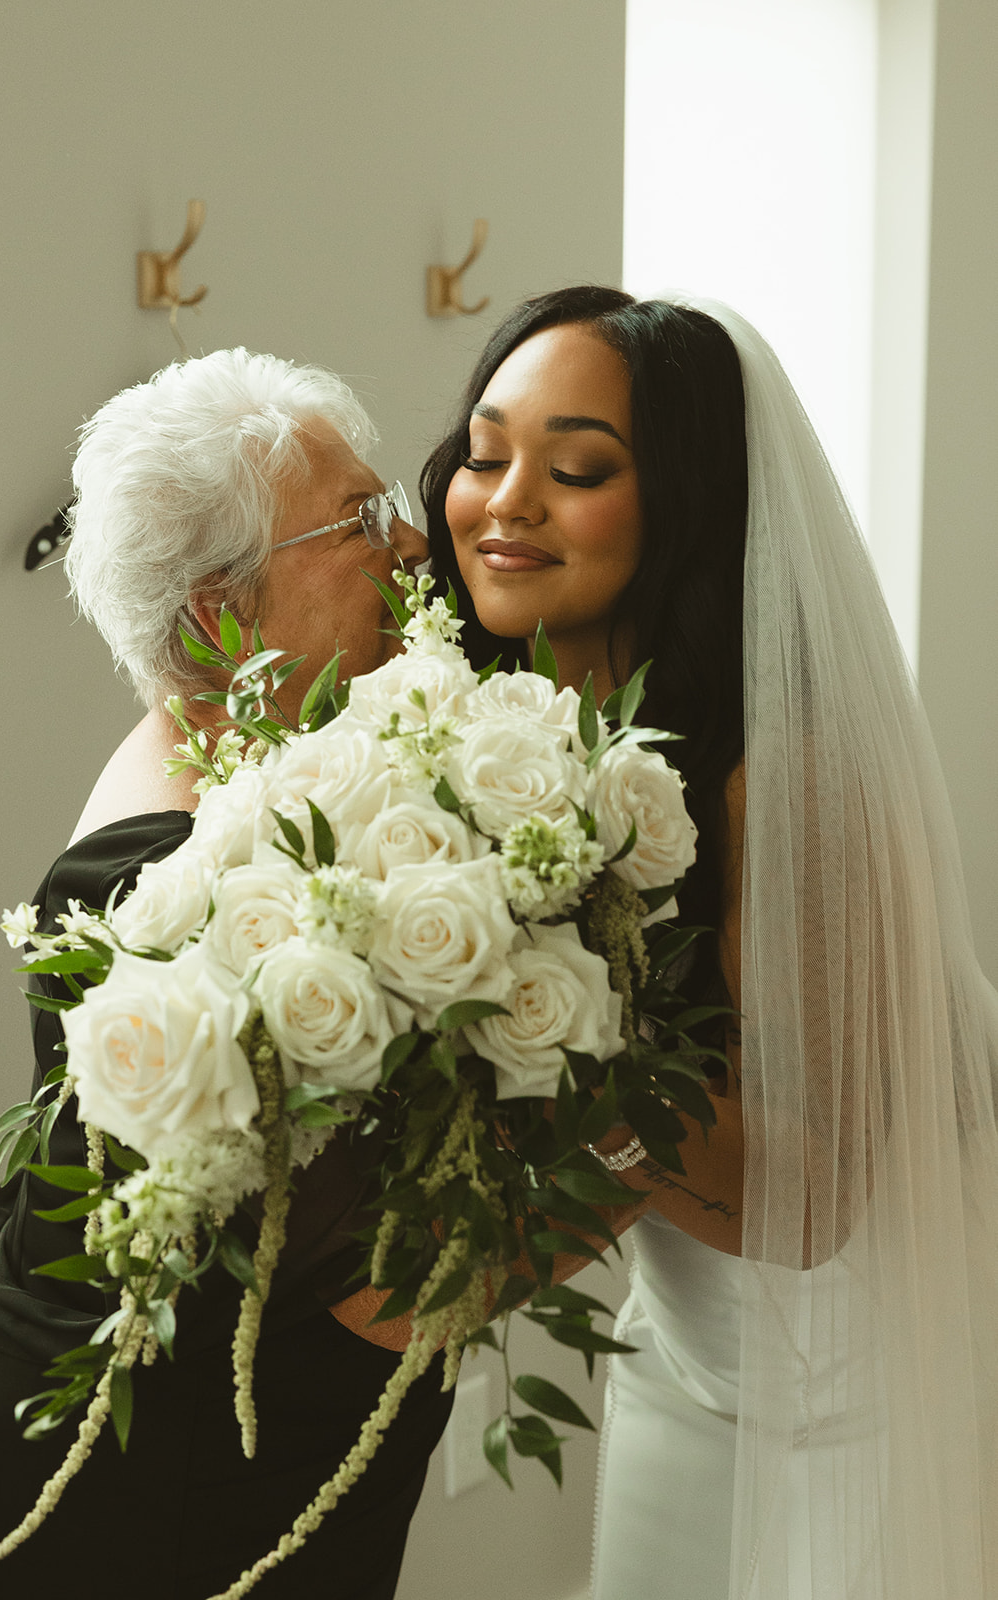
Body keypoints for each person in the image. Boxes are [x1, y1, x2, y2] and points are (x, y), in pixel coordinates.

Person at [421, 286, 998, 1599]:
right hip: (690, 1345)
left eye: (571, 469)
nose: (503, 500)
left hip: (868, 1360)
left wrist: (539, 1009)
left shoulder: (785, 782)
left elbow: (805, 1209)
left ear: (680, 504)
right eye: (482, 451)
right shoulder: (473, 739)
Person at [0, 348, 450, 1600]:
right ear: (222, 619)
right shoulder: (166, 869)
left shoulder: (242, 739)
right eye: (361, 521)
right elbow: (351, 1242)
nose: (414, 547)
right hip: (147, 1473)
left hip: (217, 1430)